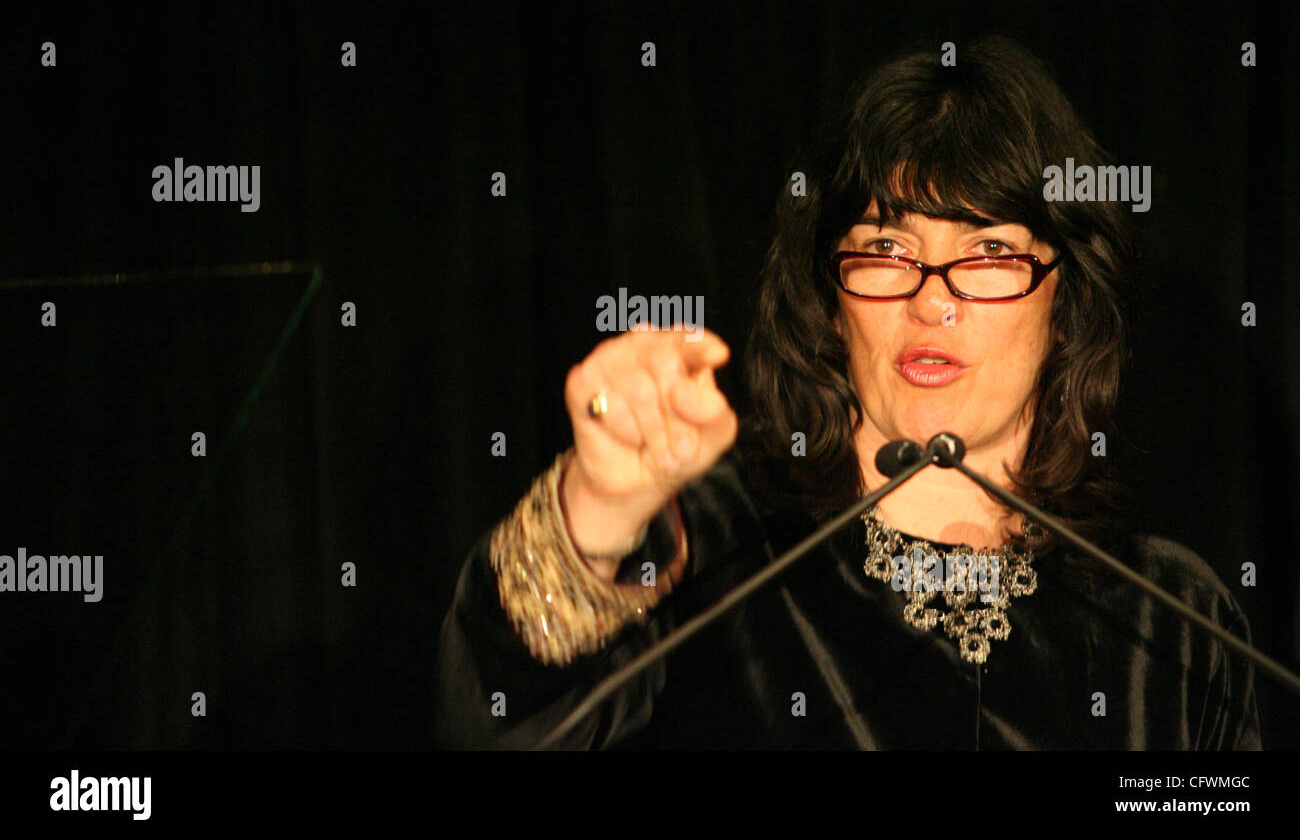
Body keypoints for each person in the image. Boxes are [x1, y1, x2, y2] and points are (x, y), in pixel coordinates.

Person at [433, 36, 1262, 749]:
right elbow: (493, 727)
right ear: (830, 301)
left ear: (1065, 303)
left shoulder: (1170, 622)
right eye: (888, 250)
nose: (932, 299)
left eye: (988, 253)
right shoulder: (709, 549)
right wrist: (599, 510)